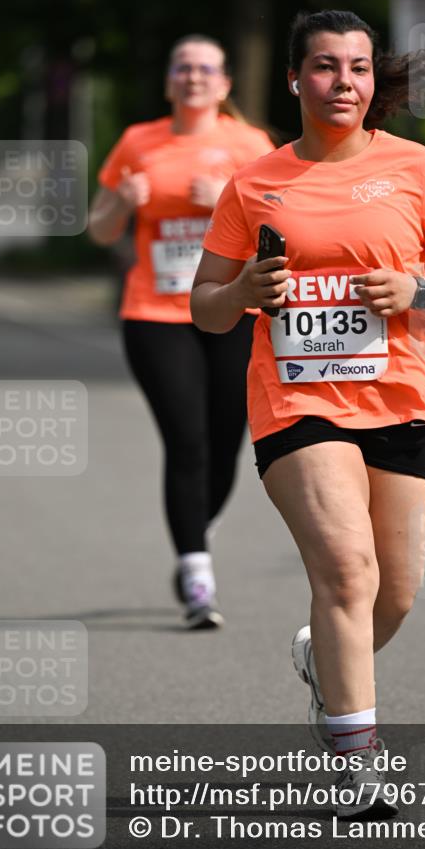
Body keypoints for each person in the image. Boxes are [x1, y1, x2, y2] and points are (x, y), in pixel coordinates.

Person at [191, 10, 425, 816]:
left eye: (357, 68)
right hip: (297, 399)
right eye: (324, 67)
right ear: (295, 78)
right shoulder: (254, 181)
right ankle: (357, 761)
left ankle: (318, 658)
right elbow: (206, 308)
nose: (342, 83)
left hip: (397, 395)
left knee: (393, 591)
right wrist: (243, 292)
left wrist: (416, 290)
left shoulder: (418, 169)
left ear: (372, 81)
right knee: (346, 573)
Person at [88, 35, 274, 629]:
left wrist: (225, 198)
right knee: (186, 440)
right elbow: (98, 229)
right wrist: (122, 201)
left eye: (206, 69)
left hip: (231, 309)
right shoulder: (138, 142)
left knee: (225, 442)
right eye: (183, 68)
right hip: (156, 312)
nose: (193, 77)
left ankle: (193, 523)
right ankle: (196, 572)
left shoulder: (250, 145)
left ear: (223, 86)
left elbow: (283, 219)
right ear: (170, 82)